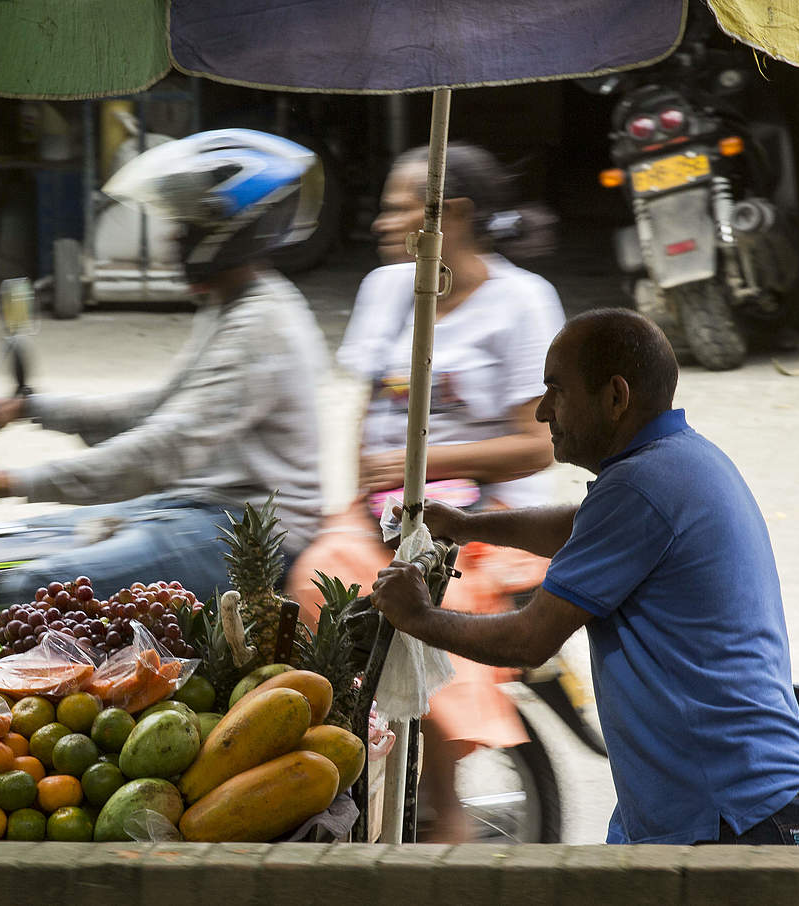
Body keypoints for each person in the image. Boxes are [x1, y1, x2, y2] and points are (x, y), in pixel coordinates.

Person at [371, 308, 799, 845]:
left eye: (556, 390)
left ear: (615, 396)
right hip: (701, 806)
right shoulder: (675, 462)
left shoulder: (642, 487)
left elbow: (529, 638)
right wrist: (468, 525)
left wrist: (419, 616)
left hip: (731, 814)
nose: (542, 412)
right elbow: (577, 526)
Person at [283, 142, 565, 842]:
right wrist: (353, 500)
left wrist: (423, 461)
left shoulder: (523, 302)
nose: (382, 222)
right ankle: (343, 781)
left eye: (399, 207)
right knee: (308, 586)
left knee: (425, 614)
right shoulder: (386, 289)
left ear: (455, 217)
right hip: (382, 515)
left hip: (485, 521)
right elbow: (363, 410)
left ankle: (447, 811)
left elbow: (540, 443)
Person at [0, 130, 327, 606]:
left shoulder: (262, 325)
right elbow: (156, 407)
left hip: (252, 535)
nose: (170, 237)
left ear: (229, 228)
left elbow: (162, 450)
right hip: (197, 509)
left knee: (36, 588)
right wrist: (27, 409)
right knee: (5, 550)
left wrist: (16, 480)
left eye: (184, 224)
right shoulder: (233, 306)